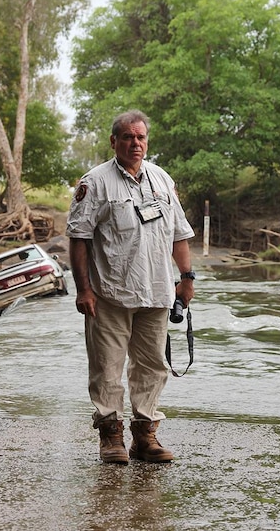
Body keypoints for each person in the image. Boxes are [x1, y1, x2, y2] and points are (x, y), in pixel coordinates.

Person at [66, 109, 196, 464]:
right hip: (109, 295)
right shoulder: (95, 182)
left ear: (147, 141)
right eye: (128, 137)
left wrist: (187, 278)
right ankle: (111, 438)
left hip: (156, 293)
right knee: (107, 367)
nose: (135, 144)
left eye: (140, 138)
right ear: (114, 142)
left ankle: (145, 437)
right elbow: (79, 238)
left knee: (152, 366)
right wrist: (84, 289)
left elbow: (179, 233)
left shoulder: (162, 179)